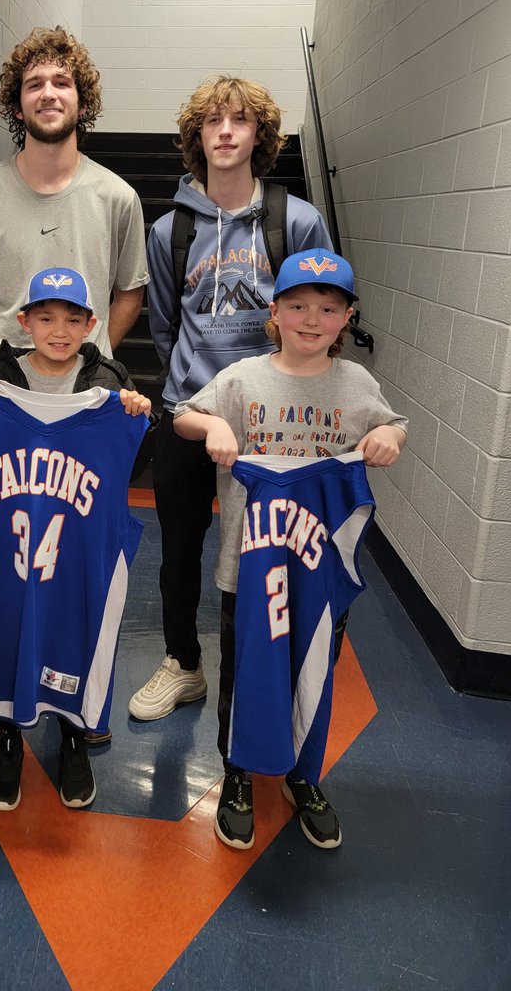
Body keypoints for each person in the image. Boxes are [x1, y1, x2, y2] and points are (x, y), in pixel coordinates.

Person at [173, 248, 407, 851]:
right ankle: (239, 772)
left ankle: (304, 774)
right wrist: (214, 425)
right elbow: (182, 418)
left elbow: (394, 424)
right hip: (247, 565)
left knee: (314, 672)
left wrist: (388, 433)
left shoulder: (356, 383)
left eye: (327, 309)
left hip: (322, 567)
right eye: (298, 305)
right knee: (244, 673)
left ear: (347, 316)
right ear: (273, 311)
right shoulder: (244, 379)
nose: (311, 319)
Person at [129, 76, 333, 723]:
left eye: (239, 120)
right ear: (196, 137)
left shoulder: (297, 222)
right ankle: (183, 664)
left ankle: (260, 675)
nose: (224, 131)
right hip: (192, 414)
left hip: (274, 424)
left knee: (264, 554)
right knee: (180, 550)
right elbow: (164, 324)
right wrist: (195, 391)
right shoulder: (170, 231)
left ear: (258, 136)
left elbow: (317, 319)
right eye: (212, 120)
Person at [0, 267, 153, 809]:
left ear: (91, 325)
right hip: (12, 558)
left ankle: (71, 738)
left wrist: (137, 418)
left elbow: (128, 468)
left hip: (75, 554)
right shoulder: (0, 379)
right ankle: (11, 736)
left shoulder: (110, 381)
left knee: (73, 636)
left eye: (71, 319)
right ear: (24, 322)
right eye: (45, 317)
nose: (58, 330)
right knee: (9, 632)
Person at [0, 25, 148, 382]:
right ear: (18, 108)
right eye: (34, 84)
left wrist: (89, 358)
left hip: (84, 392)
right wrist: (9, 362)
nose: (48, 94)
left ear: (82, 102)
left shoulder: (117, 197)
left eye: (61, 82)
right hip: (0, 389)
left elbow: (129, 294)